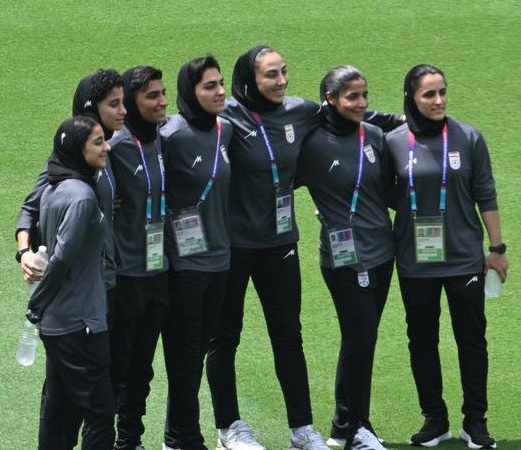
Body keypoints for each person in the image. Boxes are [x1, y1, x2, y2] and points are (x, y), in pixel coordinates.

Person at [206, 45, 403, 450]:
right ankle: (229, 427)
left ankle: (302, 430)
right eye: (270, 75)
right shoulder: (226, 117)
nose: (281, 82)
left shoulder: (300, 110)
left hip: (280, 243)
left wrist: (407, 120)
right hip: (232, 247)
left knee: (288, 334)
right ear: (250, 80)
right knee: (225, 337)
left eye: (283, 72)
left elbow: (352, 112)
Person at [385, 64, 508, 449]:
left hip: (464, 258)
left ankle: (476, 421)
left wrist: (497, 249)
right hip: (414, 260)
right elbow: (378, 192)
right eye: (428, 94)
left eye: (442, 92)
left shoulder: (468, 137)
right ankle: (434, 419)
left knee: (471, 339)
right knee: (421, 340)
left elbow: (484, 193)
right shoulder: (392, 142)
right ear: (411, 98)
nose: (438, 101)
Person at [296, 66, 394, 450]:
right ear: (330, 99)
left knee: (365, 340)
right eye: (352, 97)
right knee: (360, 336)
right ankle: (352, 427)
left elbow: (386, 190)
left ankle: (349, 425)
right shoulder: (313, 144)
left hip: (383, 253)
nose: (361, 103)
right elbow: (278, 182)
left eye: (364, 95)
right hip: (343, 259)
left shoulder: (373, 136)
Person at [159, 55, 233, 450]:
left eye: (221, 83)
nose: (219, 91)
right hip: (184, 265)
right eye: (209, 86)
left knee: (198, 353)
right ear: (191, 92)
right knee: (185, 357)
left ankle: (177, 434)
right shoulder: (171, 135)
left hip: (220, 260)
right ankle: (185, 438)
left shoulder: (227, 130)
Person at [27, 116, 113, 450]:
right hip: (81, 324)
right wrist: (37, 304)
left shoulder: (54, 187)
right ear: (78, 149)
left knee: (60, 409)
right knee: (100, 411)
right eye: (97, 142)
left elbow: (31, 220)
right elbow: (62, 257)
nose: (106, 147)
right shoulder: (81, 197)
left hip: (61, 322)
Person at [108, 65, 172, 450]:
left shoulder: (168, 138)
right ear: (132, 103)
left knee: (143, 369)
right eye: (152, 96)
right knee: (116, 366)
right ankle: (102, 439)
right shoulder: (114, 146)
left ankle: (130, 440)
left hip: (159, 269)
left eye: (164, 93)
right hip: (125, 275)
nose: (162, 101)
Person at [16, 69, 125, 289]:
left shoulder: (106, 148)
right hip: (82, 285)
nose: (123, 111)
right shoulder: (66, 158)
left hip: (106, 276)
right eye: (114, 104)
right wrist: (24, 253)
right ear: (92, 109)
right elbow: (30, 208)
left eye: (123, 102)